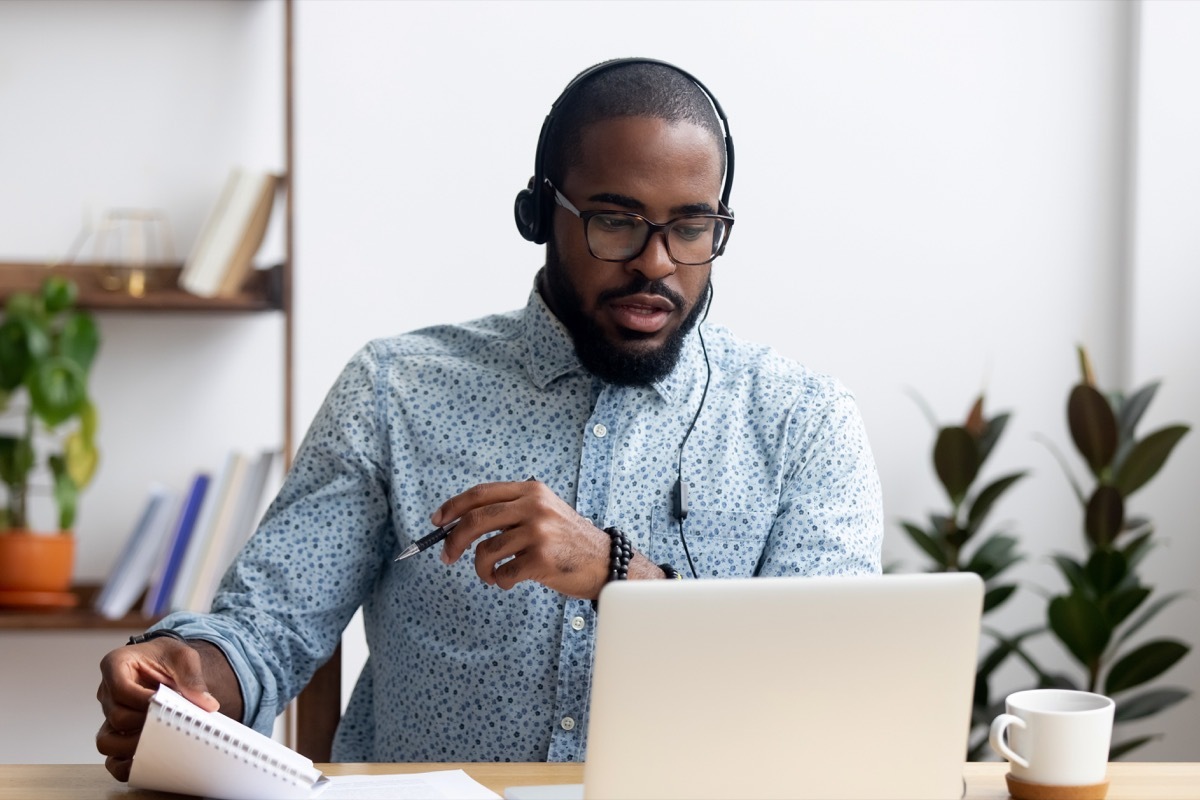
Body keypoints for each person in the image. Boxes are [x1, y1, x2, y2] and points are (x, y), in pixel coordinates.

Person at [95, 58, 883, 777]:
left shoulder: (802, 422)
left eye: (691, 227)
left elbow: (828, 689)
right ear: (540, 215)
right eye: (616, 221)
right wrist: (192, 673)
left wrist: (618, 573)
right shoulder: (394, 390)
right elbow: (268, 627)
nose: (657, 261)